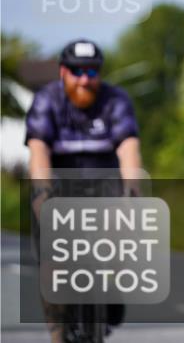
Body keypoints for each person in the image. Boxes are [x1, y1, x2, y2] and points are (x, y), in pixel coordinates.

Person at [25, 39, 143, 343]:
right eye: (77, 72)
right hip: (59, 188)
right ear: (63, 72)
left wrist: (132, 193)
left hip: (103, 187)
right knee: (53, 266)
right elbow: (38, 152)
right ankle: (58, 334)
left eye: (91, 72)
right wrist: (42, 194)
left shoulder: (115, 101)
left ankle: (111, 293)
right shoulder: (47, 101)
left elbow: (129, 149)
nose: (84, 79)